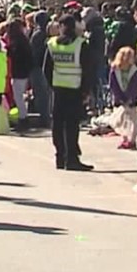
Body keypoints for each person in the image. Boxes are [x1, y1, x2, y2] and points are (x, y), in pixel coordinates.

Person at [44, 14, 94, 171]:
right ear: (74, 27)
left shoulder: (51, 44)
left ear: (60, 27)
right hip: (75, 89)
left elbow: (46, 68)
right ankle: (71, 159)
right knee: (71, 126)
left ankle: (60, 157)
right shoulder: (81, 44)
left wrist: (52, 85)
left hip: (58, 89)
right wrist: (86, 90)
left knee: (57, 124)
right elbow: (87, 69)